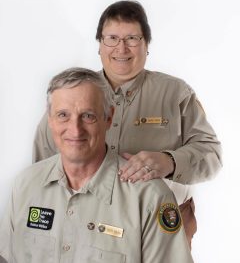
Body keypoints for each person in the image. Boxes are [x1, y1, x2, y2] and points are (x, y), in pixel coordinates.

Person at [32, 0, 222, 245]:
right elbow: (41, 170)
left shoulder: (176, 93)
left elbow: (212, 155)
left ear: (146, 45)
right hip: (87, 234)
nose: (121, 49)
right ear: (99, 45)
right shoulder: (73, 94)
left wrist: (169, 161)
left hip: (162, 232)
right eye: (111, 38)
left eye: (132, 38)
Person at [0, 68, 194, 262]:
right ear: (49, 120)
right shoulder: (25, 185)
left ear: (108, 118)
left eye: (88, 116)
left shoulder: (151, 197)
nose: (75, 130)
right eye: (63, 115)